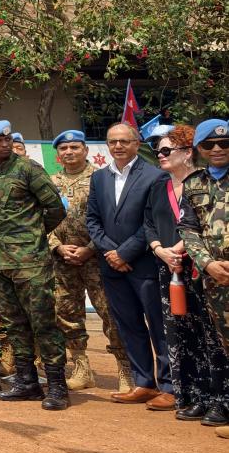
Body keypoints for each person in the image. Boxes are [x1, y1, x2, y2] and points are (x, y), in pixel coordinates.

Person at [0, 120, 69, 410]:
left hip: (30, 261)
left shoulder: (29, 169)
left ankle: (56, 386)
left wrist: (31, 236)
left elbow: (55, 208)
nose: (5, 144)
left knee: (43, 322)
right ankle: (27, 380)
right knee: (13, 323)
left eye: (7, 139)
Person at [84, 122, 171, 408]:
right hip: (111, 266)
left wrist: (125, 253)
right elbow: (92, 220)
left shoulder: (156, 176)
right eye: (112, 142)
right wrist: (112, 253)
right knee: (129, 326)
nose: (118, 146)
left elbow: (152, 223)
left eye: (124, 141)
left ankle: (169, 386)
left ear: (136, 143)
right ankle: (144, 383)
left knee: (158, 325)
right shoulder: (99, 178)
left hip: (144, 264)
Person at [148, 124, 229, 424]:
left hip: (214, 273)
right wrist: (206, 263)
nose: (217, 149)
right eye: (210, 145)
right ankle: (207, 398)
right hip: (200, 272)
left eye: (224, 143)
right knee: (195, 337)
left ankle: (221, 400)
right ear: (200, 149)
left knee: (216, 340)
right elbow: (189, 229)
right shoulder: (196, 184)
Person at [48, 129, 131, 393]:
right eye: (64, 148)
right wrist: (58, 247)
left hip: (97, 259)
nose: (69, 152)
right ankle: (81, 367)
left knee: (111, 313)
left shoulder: (103, 178)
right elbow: (40, 220)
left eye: (74, 147)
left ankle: (125, 368)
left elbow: (112, 219)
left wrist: (90, 248)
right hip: (62, 261)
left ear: (85, 150)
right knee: (66, 313)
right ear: (58, 154)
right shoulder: (51, 182)